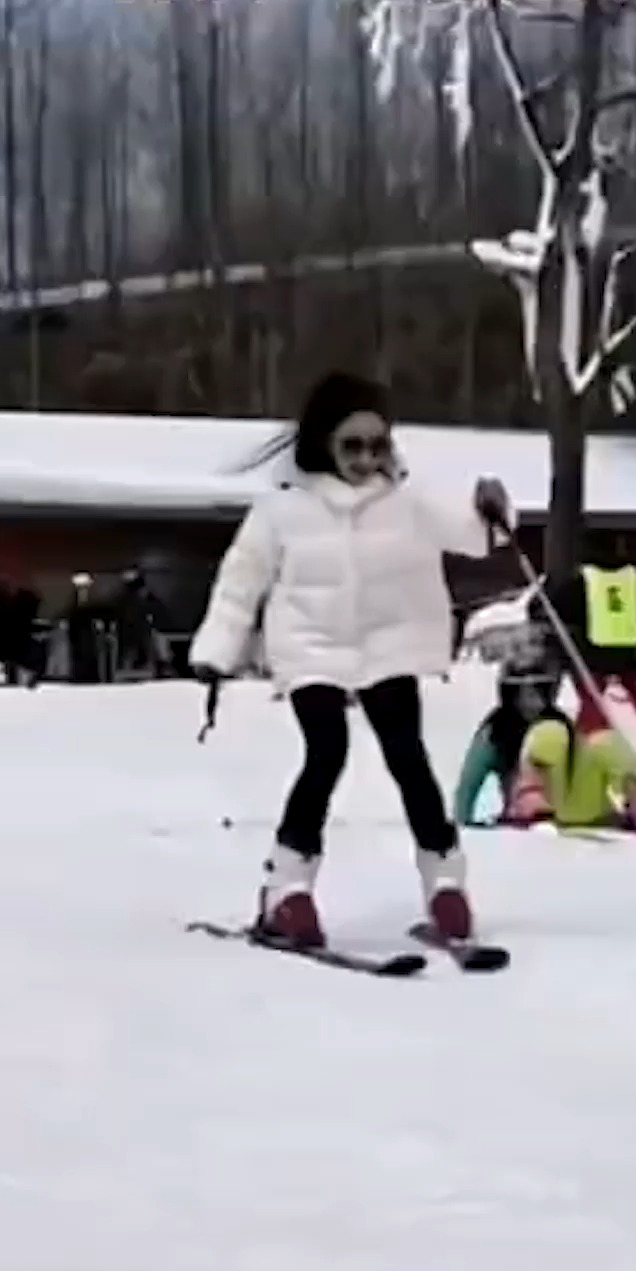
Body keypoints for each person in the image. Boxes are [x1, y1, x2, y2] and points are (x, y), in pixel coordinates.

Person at [190, 371, 510, 949]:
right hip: (311, 646)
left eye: (377, 445)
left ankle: (446, 887)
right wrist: (218, 650)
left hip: (390, 646)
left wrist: (491, 512)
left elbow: (478, 537)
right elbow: (241, 582)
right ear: (322, 444)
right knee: (326, 751)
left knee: (407, 757)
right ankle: (289, 891)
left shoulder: (408, 503)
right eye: (352, 446)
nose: (367, 459)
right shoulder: (282, 510)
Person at [545, 539, 636, 762]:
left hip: (594, 648)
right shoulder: (633, 577)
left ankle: (584, 746)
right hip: (630, 648)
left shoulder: (583, 578)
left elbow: (559, 607)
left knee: (593, 701)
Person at [505, 700, 636, 842]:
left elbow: (529, 787)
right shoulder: (599, 743)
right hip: (598, 820)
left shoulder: (545, 738)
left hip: (564, 820)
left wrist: (535, 817)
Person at [454, 638, 561, 826]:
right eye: (524, 694)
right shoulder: (496, 732)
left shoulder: (560, 727)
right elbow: (469, 784)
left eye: (538, 693)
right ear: (511, 695)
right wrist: (461, 823)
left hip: (565, 821)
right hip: (518, 821)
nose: (533, 702)